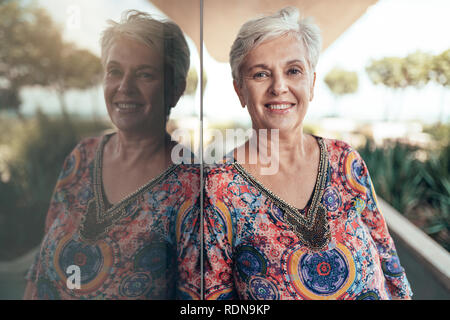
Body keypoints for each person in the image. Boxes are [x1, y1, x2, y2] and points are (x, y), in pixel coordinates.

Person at [204, 7, 412, 300]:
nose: (279, 87)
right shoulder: (217, 188)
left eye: (293, 71)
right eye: (261, 74)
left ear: (311, 84)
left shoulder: (345, 160)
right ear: (240, 91)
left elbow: (389, 263)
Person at [23, 10, 200, 300]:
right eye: (115, 71)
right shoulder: (82, 156)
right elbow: (39, 267)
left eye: (144, 74)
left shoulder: (195, 185)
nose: (124, 87)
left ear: (176, 90)